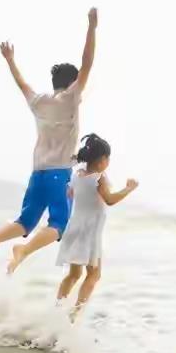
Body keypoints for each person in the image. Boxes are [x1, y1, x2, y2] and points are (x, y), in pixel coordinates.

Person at [0, 7, 99, 273]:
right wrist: (91, 28)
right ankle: (23, 250)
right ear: (73, 83)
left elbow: (21, 83)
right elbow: (87, 63)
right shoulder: (71, 98)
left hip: (37, 172)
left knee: (26, 220)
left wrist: (10, 60)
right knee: (59, 224)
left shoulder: (38, 102)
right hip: (59, 173)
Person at [54, 134, 138, 321]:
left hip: (75, 227)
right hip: (89, 231)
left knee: (74, 274)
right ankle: (74, 314)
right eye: (108, 158)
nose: (108, 162)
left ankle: (57, 308)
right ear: (102, 160)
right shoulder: (99, 178)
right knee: (94, 274)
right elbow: (110, 200)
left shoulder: (78, 174)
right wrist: (128, 189)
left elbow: (70, 193)